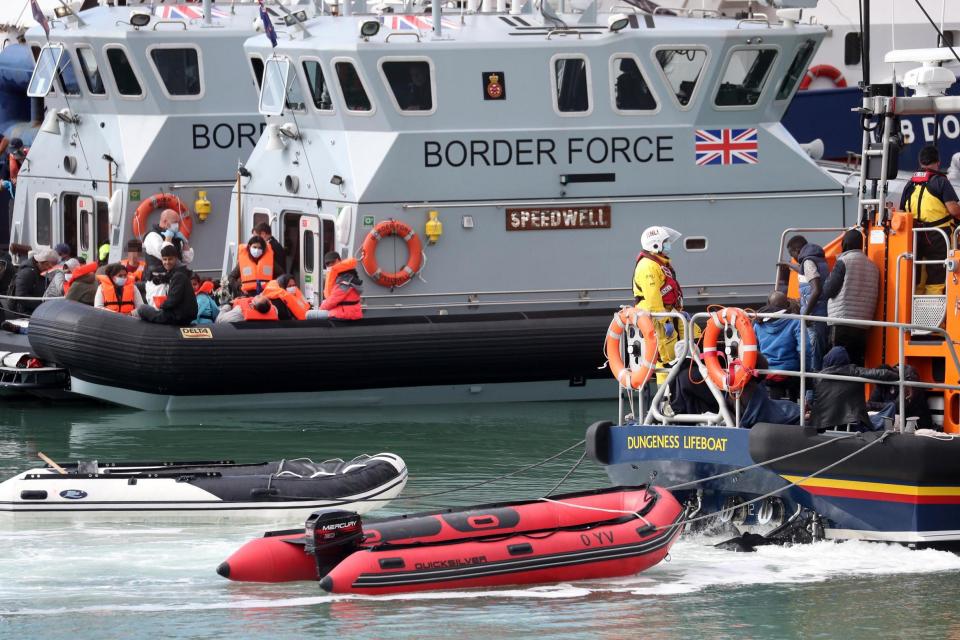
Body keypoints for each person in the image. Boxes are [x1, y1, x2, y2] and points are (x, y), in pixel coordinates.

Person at [900, 145, 960, 294]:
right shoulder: (940, 182)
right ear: (938, 162)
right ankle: (935, 314)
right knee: (937, 277)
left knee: (918, 276)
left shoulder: (910, 184)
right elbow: (953, 210)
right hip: (939, 238)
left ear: (920, 162)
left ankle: (914, 311)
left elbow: (902, 211)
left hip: (915, 237)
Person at [633, 226, 684, 383]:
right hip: (659, 319)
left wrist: (678, 312)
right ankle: (666, 399)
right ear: (655, 244)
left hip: (670, 314)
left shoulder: (658, 263)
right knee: (666, 358)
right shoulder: (648, 266)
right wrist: (666, 321)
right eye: (666, 242)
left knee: (684, 348)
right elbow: (653, 299)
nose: (668, 244)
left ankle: (676, 395)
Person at [821, 229, 879, 365]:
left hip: (842, 321)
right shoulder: (873, 266)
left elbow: (828, 290)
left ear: (845, 243)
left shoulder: (843, 261)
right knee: (855, 364)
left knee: (837, 364)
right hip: (863, 324)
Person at [809, 346, 898, 431]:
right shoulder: (854, 371)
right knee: (890, 407)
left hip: (821, 426)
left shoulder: (817, 377)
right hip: (853, 425)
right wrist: (901, 377)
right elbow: (883, 374)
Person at [778, 235, 830, 369]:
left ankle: (812, 387)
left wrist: (806, 314)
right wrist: (788, 265)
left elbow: (816, 289)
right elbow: (804, 270)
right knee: (819, 348)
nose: (794, 258)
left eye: (792, 254)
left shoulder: (808, 262)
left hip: (814, 313)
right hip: (822, 311)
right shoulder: (817, 258)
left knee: (813, 352)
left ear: (797, 250)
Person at [754, 291, 815, 399]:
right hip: (792, 373)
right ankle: (796, 409)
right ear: (787, 305)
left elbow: (754, 350)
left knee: (774, 400)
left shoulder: (758, 324)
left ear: (768, 304)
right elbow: (805, 350)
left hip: (767, 373)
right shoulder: (796, 321)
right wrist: (805, 371)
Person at [137, 244, 197, 326]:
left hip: (178, 317)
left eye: (170, 259)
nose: (167, 262)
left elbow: (173, 300)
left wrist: (161, 306)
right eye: (164, 259)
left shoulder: (178, 276)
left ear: (176, 259)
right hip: (180, 315)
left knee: (142, 308)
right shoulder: (178, 273)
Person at [866, 364, 935, 431]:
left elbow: (898, 406)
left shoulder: (909, 377)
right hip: (893, 422)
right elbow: (872, 402)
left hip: (915, 423)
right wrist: (870, 405)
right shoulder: (882, 383)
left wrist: (871, 405)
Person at [306, 251, 363, 320]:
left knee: (309, 314)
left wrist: (320, 308)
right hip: (344, 310)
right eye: (328, 264)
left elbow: (333, 300)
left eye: (332, 262)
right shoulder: (347, 274)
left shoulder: (345, 278)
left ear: (338, 260)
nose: (330, 265)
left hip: (346, 313)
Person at [143, 209, 194, 284]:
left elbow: (187, 259)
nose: (177, 225)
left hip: (174, 280)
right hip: (158, 284)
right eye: (175, 222)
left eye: (178, 222)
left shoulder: (175, 238)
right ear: (165, 222)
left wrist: (185, 242)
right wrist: (168, 237)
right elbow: (165, 253)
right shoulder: (152, 236)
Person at [12, 245, 58, 314]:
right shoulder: (27, 272)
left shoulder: (39, 270)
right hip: (25, 312)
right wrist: (43, 303)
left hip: (37, 309)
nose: (50, 269)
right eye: (49, 266)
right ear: (44, 263)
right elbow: (21, 296)